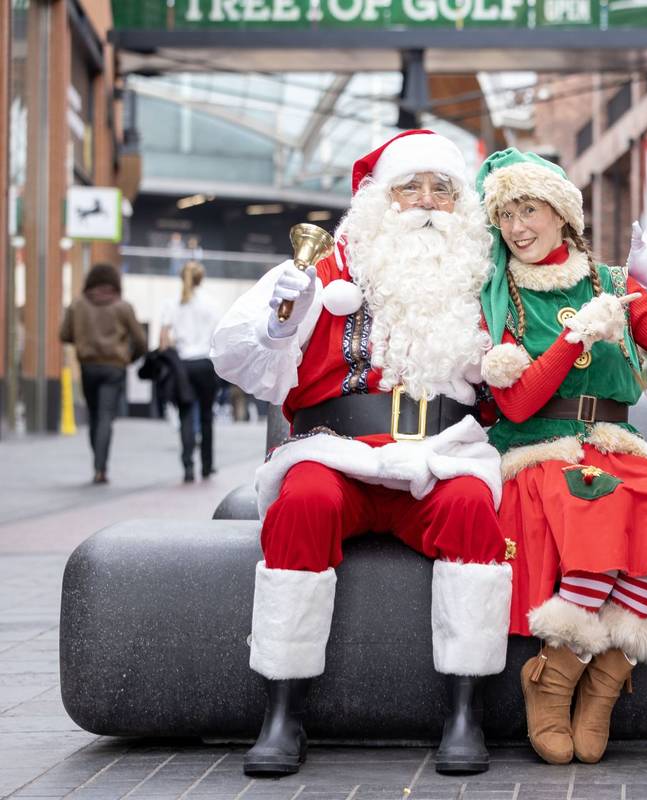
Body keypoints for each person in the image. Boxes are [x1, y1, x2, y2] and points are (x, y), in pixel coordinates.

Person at [210, 130, 513, 778]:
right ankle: (282, 711)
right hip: (335, 450)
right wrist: (277, 323)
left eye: (442, 189)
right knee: (302, 503)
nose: (427, 202)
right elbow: (238, 354)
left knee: (472, 513)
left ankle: (465, 712)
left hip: (443, 457)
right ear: (380, 200)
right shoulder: (321, 269)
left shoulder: (482, 282)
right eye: (411, 187)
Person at [474, 149, 647, 765]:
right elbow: (515, 406)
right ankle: (553, 675)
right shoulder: (503, 296)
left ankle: (601, 683)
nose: (518, 227)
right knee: (597, 502)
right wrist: (576, 338)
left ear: (562, 215)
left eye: (530, 209)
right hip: (541, 450)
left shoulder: (613, 285)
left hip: (615, 444)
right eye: (507, 215)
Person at [59, 263, 148, 484]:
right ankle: (101, 468)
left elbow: (64, 334)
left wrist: (82, 340)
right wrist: (129, 358)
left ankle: (97, 463)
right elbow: (141, 342)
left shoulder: (78, 305)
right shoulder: (123, 307)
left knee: (94, 415)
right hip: (114, 368)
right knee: (106, 417)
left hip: (88, 367)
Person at [159, 261, 222, 482]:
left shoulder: (172, 304)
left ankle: (187, 465)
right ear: (201, 279)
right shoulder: (211, 304)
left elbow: (164, 340)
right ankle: (207, 465)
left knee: (185, 414)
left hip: (182, 366)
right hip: (205, 364)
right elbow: (218, 337)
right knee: (206, 416)